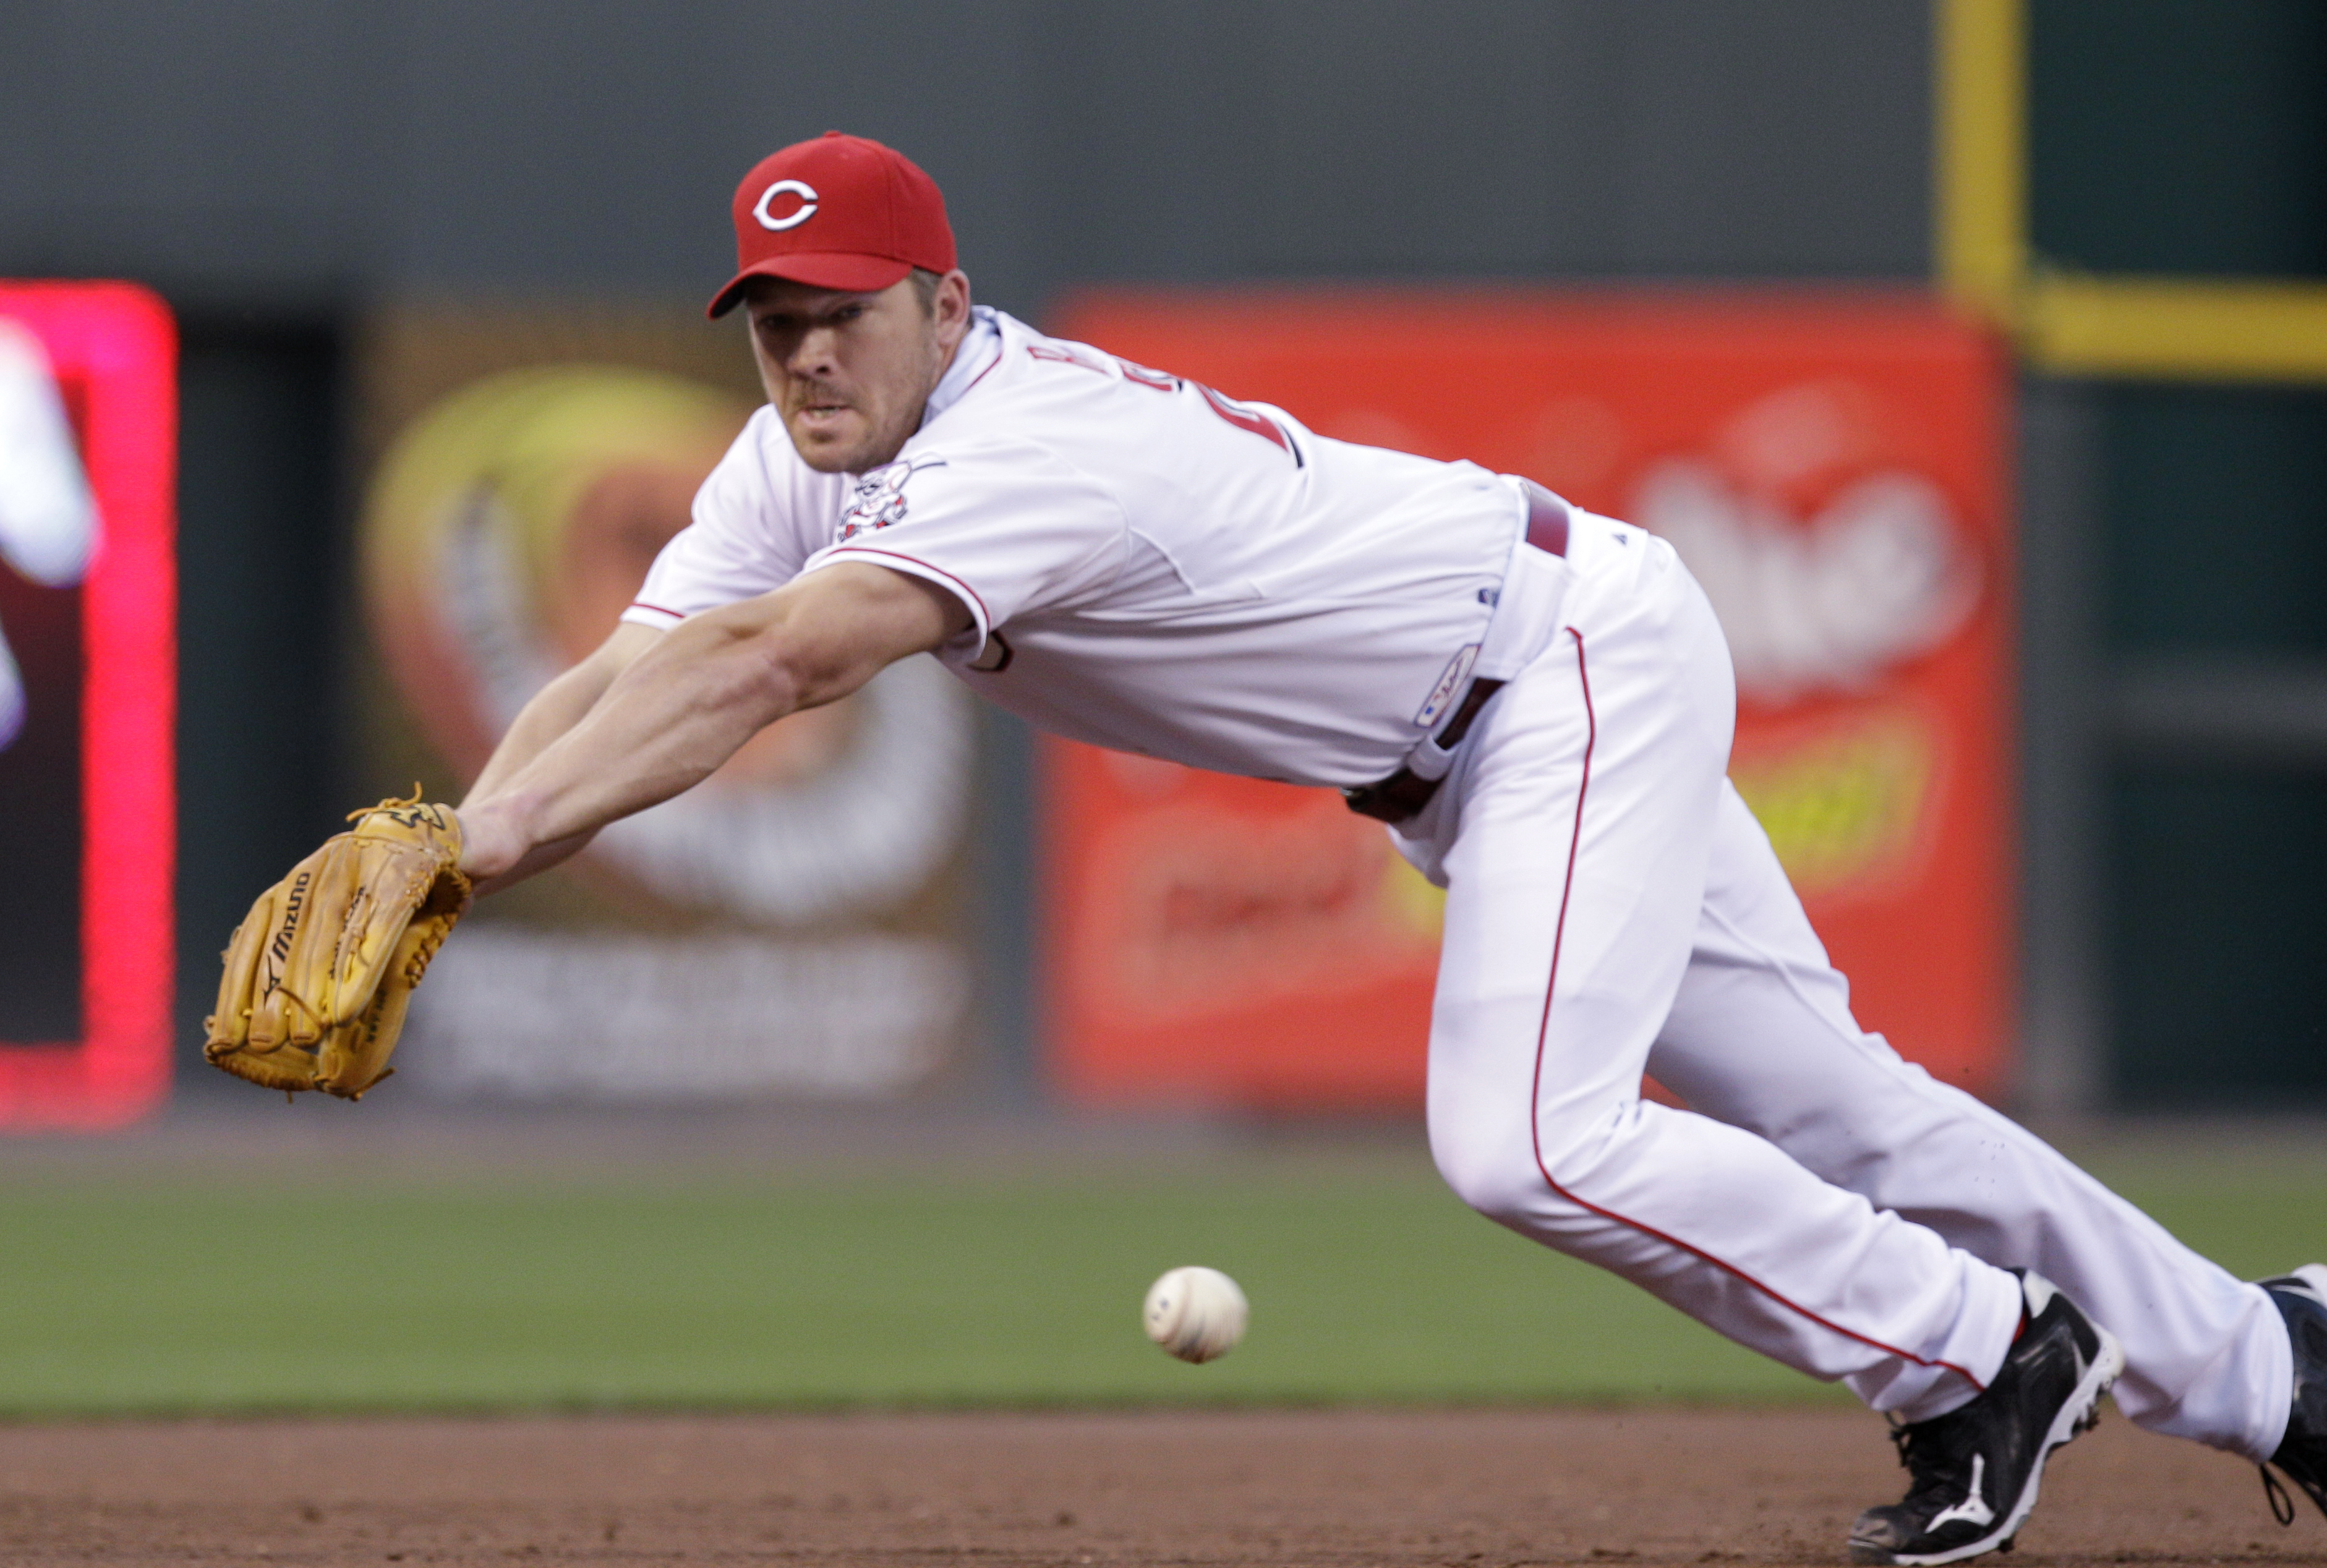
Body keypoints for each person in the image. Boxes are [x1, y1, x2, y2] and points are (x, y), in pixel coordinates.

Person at [448, 131, 2327, 1564]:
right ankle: (2278, 1368)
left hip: (1559, 667)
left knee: (1528, 1142)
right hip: (1500, 712)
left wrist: (502, 842)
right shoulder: (804, 449)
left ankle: (1979, 1353)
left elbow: (775, 662)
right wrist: (456, 844)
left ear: (949, 305)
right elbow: (640, 661)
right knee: (1840, 1107)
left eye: (844, 314)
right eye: (774, 325)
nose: (804, 357)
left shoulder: (1028, 446)